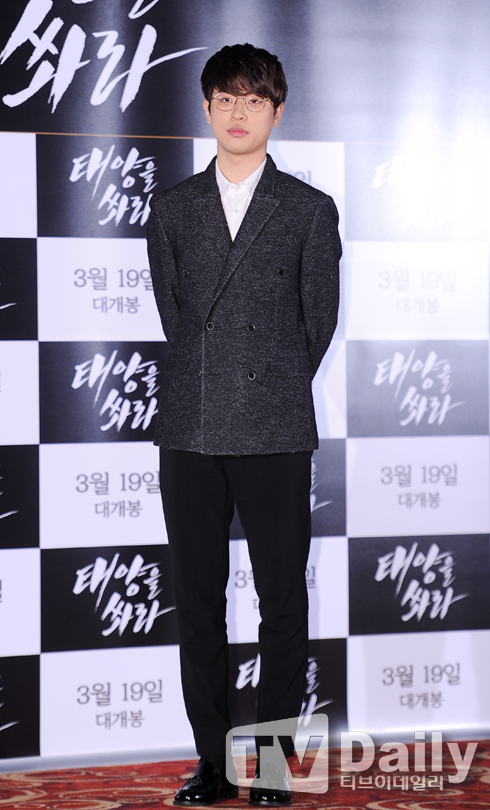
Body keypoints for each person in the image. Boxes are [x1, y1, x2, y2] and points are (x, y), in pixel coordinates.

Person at [147, 43, 341, 806]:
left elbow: (316, 324)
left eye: (253, 100)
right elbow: (176, 321)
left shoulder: (308, 209)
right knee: (198, 602)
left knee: (281, 601)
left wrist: (268, 382)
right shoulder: (172, 207)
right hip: (190, 426)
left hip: (276, 427)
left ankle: (272, 765)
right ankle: (213, 761)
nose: (238, 113)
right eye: (225, 99)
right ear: (206, 108)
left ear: (276, 112)